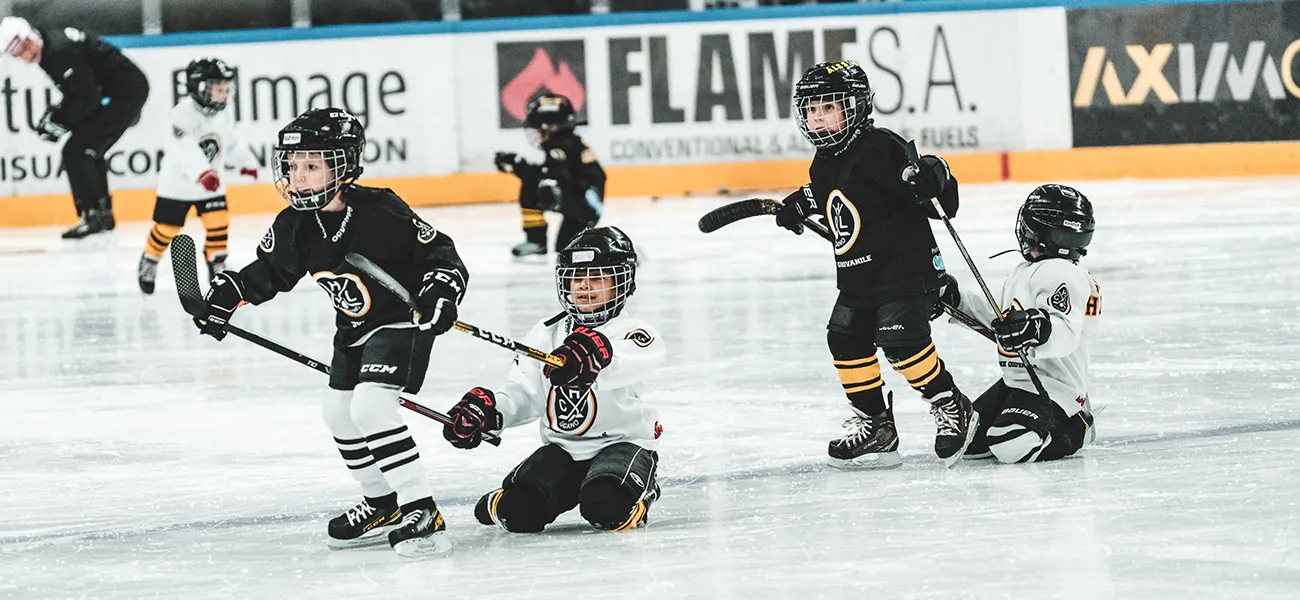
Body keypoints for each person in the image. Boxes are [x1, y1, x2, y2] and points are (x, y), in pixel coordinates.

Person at [192, 107, 468, 560]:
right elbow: (269, 272)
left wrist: (441, 290)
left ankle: (422, 508)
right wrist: (229, 294)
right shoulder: (295, 223)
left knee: (372, 407)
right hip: (353, 330)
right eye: (292, 165)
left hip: (401, 322)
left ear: (344, 165)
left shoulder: (381, 209)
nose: (298, 176)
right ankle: (382, 501)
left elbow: (439, 253)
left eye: (312, 165)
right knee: (338, 413)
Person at [774, 60, 975, 469]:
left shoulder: (879, 146)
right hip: (860, 274)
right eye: (811, 109)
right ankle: (878, 427)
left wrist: (935, 175)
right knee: (845, 339)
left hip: (906, 269)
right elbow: (833, 192)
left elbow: (940, 201)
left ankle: (951, 405)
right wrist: (803, 202)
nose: (817, 118)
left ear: (856, 106)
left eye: (828, 107)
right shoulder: (824, 159)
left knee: (901, 343)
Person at [442, 226, 666, 533]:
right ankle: (516, 498)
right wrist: (490, 413)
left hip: (622, 444)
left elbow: (631, 359)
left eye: (598, 278)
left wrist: (595, 355)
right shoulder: (546, 333)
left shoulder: (632, 331)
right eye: (576, 278)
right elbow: (524, 393)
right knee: (519, 513)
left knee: (607, 508)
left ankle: (637, 489)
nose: (584, 287)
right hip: (563, 450)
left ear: (621, 283)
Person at [935, 184, 1101, 463]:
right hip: (1016, 381)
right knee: (971, 442)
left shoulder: (1063, 274)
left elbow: (1065, 333)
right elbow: (1001, 319)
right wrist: (955, 299)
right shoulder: (1027, 271)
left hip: (1055, 387)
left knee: (1009, 444)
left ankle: (1076, 427)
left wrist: (1035, 328)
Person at [0, 16, 150, 239]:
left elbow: (86, 99)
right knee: (88, 149)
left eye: (24, 45)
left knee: (77, 151)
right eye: (17, 52)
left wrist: (58, 120)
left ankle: (93, 215)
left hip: (124, 94)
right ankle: (102, 212)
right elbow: (81, 92)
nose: (25, 54)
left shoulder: (59, 50)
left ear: (31, 34)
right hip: (120, 90)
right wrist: (59, 117)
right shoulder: (50, 46)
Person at [138, 57, 258, 294]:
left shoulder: (223, 115)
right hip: (178, 186)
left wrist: (246, 162)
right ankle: (150, 259)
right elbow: (183, 148)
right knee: (167, 228)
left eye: (226, 88)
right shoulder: (181, 114)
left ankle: (217, 266)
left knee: (219, 222)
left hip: (211, 186)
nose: (224, 94)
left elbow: (230, 143)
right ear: (199, 87)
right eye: (218, 88)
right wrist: (203, 172)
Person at [494, 94, 606, 258]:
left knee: (534, 187)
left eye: (538, 127)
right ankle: (544, 239)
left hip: (584, 204)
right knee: (565, 247)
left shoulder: (560, 147)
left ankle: (536, 240)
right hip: (586, 203)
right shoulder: (568, 143)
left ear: (549, 126)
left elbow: (552, 176)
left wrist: (518, 166)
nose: (536, 132)